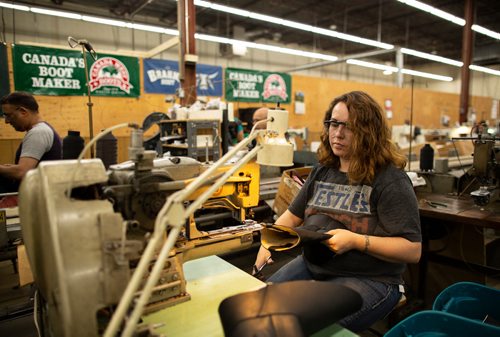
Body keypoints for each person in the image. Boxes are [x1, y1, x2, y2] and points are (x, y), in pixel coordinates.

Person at [254, 91, 422, 332]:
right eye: (334, 123)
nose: (338, 133)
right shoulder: (323, 169)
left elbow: (412, 249)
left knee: (300, 325)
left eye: (349, 126)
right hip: (314, 266)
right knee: (260, 306)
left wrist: (356, 241)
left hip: (372, 279)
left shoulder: (390, 179)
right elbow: (292, 215)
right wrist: (268, 242)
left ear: (369, 131)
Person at [0, 91, 62, 193]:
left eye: (9, 115)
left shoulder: (38, 132)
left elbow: (23, 172)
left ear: (23, 112)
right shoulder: (42, 130)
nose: (6, 121)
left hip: (39, 199)